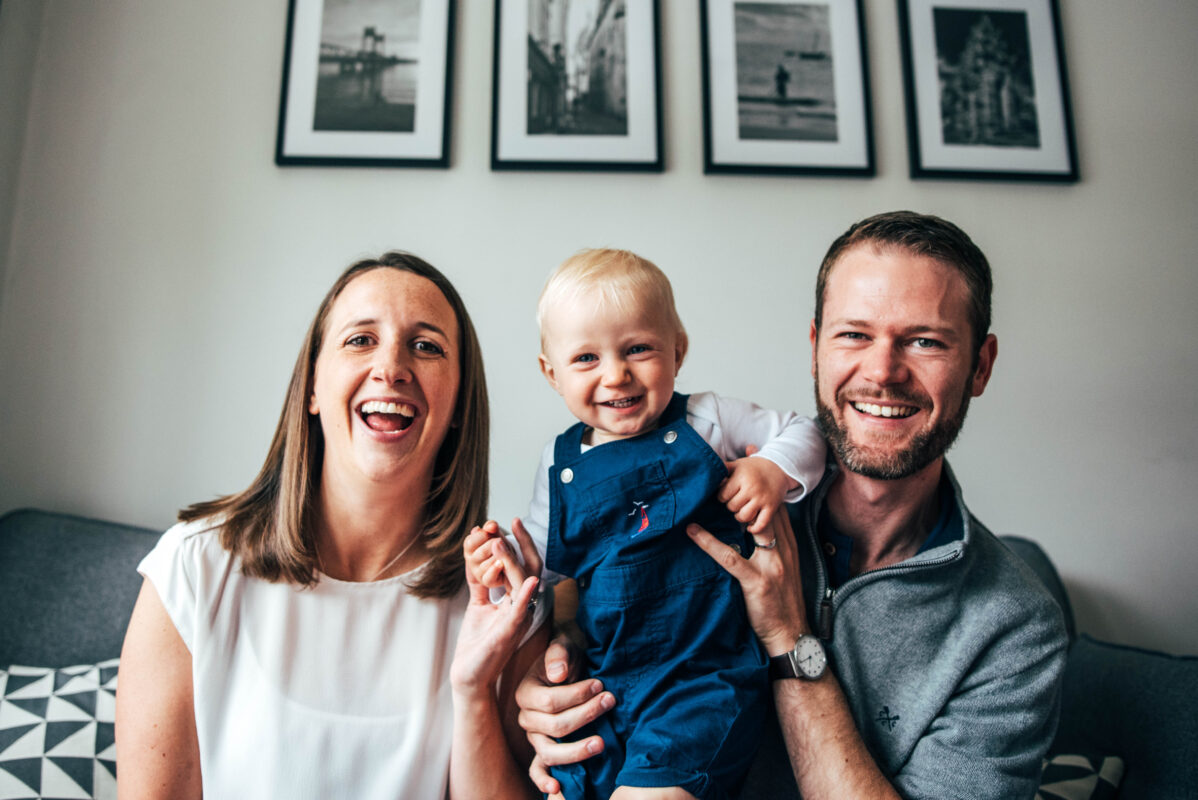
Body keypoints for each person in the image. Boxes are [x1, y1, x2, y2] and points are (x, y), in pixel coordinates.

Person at [516, 214, 1069, 799]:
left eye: (925, 341)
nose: (883, 372)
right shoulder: (712, 489)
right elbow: (594, 556)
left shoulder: (1013, 629)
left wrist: (788, 638)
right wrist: (554, 664)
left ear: (980, 365)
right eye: (854, 335)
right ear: (815, 349)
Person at [115, 252, 546, 799]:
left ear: (459, 401)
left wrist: (475, 690)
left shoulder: (506, 597)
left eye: (427, 346)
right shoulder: (192, 570)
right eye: (360, 340)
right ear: (313, 388)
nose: (391, 368)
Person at [469, 249, 827, 800]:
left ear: (677, 350)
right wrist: (504, 569)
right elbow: (542, 571)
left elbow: (804, 432)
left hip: (702, 678)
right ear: (551, 373)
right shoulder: (559, 463)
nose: (617, 374)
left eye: (638, 349)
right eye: (586, 358)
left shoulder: (708, 420)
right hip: (607, 681)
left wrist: (769, 469)